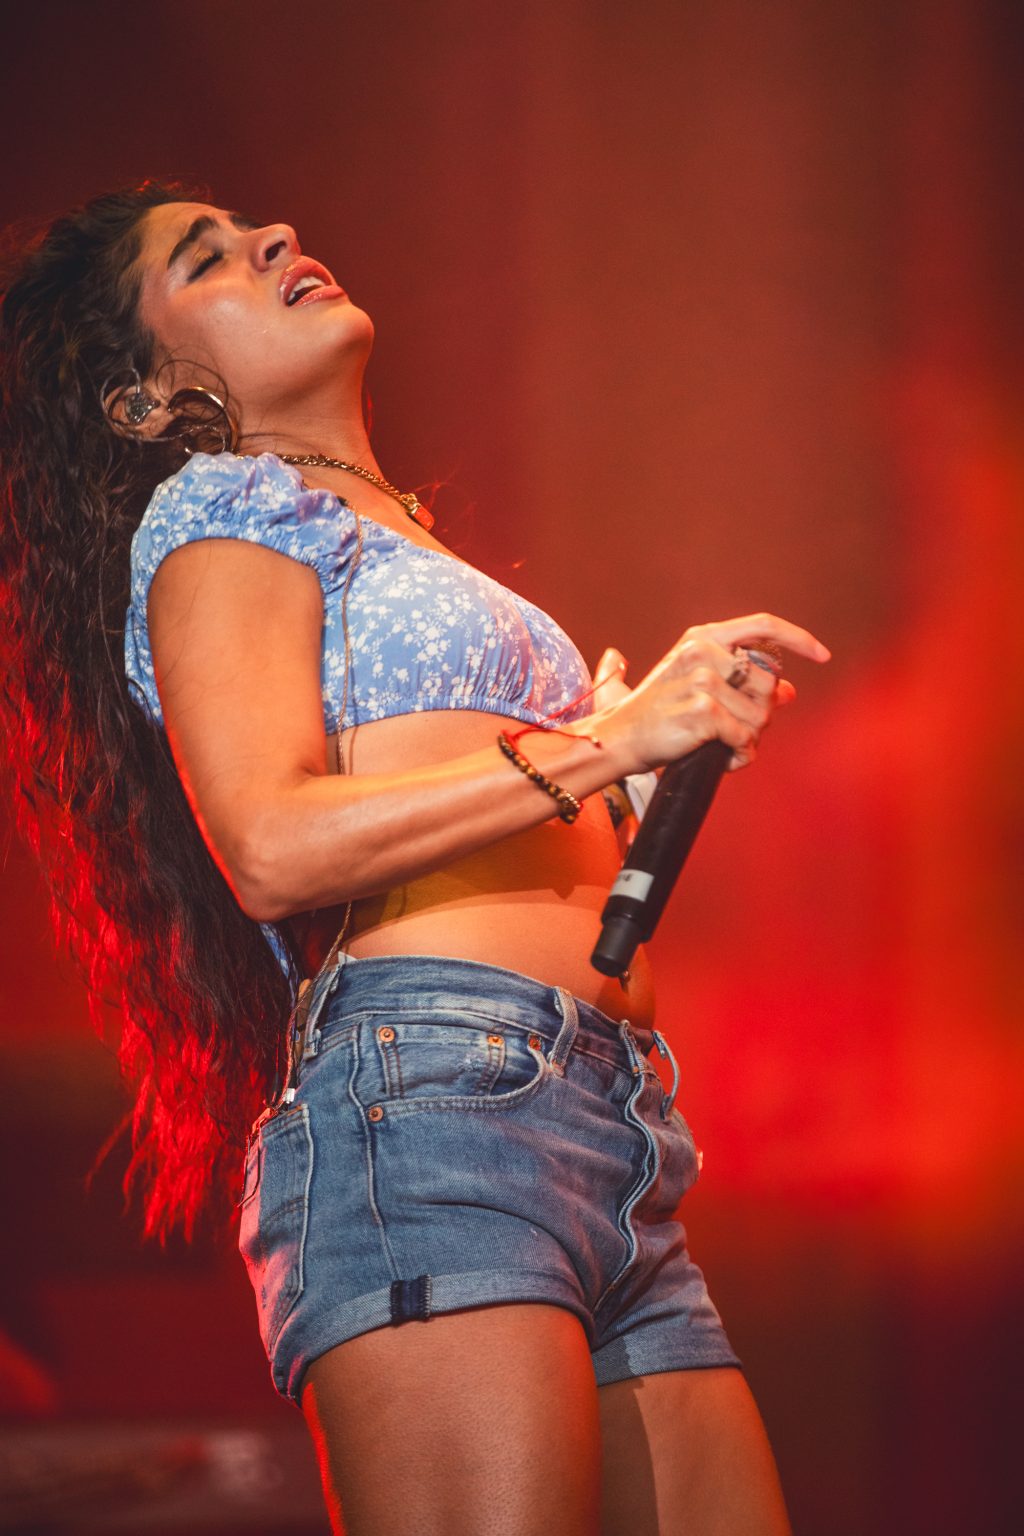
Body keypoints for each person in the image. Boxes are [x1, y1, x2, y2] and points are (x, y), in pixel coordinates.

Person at [0, 182, 830, 1536]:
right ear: (144, 401)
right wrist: (612, 739)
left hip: (611, 1125)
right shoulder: (229, 512)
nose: (274, 240)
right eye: (207, 258)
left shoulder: (398, 536)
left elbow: (490, 793)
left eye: (256, 226)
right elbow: (270, 846)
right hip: (434, 1116)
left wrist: (629, 768)